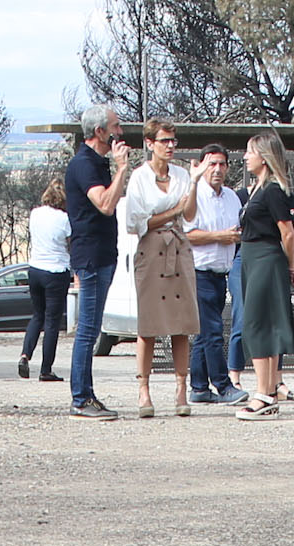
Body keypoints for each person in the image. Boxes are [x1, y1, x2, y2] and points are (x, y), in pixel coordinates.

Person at [120, 122, 199, 417]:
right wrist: (172, 211)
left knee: (182, 324)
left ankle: (181, 389)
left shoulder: (181, 175)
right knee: (149, 325)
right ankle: (144, 390)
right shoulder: (139, 177)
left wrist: (194, 183)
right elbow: (136, 222)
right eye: (164, 141)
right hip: (151, 251)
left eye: (173, 141)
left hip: (178, 248)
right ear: (150, 143)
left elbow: (190, 214)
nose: (170, 146)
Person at [63, 104, 132, 419]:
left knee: (91, 328)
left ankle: (87, 394)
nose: (120, 132)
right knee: (88, 330)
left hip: (104, 254)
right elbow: (105, 203)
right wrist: (121, 169)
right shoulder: (84, 164)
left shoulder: (98, 163)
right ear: (99, 131)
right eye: (115, 126)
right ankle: (80, 398)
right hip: (90, 256)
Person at [234, 133, 294, 419]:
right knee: (263, 322)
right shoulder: (257, 190)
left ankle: (262, 394)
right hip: (252, 258)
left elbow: (288, 232)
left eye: (250, 152)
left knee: (258, 323)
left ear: (264, 157)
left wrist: (290, 264)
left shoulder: (272, 190)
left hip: (265, 259)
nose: (245, 157)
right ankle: (269, 391)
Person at [186, 145, 245, 404]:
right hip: (199, 272)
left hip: (221, 273)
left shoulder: (232, 197)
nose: (217, 169)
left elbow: (238, 230)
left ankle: (199, 387)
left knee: (204, 333)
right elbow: (188, 234)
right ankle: (223, 385)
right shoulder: (194, 195)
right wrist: (220, 236)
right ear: (201, 166)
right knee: (213, 331)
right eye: (212, 164)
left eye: (222, 164)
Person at [20, 177, 71, 382]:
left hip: (35, 270)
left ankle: (25, 355)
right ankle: (46, 369)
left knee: (37, 316)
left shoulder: (35, 213)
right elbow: (71, 242)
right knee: (51, 322)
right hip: (56, 271)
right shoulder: (65, 219)